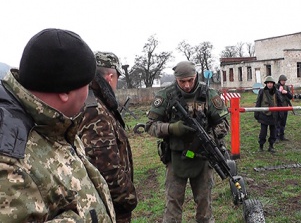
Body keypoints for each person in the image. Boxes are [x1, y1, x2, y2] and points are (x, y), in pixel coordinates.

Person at [0, 28, 116, 222]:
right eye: (86, 85)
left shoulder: (55, 125)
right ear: (64, 92)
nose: (88, 94)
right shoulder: (10, 159)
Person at [145, 61, 229, 223]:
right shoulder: (166, 95)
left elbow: (224, 124)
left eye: (190, 80)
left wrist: (206, 138)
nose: (187, 85)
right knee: (173, 206)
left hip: (203, 157)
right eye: (182, 81)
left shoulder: (209, 94)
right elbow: (150, 126)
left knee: (204, 206)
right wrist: (171, 128)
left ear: (196, 76)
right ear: (176, 79)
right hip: (176, 158)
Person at [78, 51, 138, 223]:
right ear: (111, 77)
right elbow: (106, 167)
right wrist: (128, 198)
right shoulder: (96, 110)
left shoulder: (95, 102)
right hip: (109, 207)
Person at [254, 76, 282, 153]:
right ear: (266, 84)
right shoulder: (262, 92)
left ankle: (271, 146)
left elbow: (279, 103)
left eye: (271, 83)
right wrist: (256, 113)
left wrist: (280, 114)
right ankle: (261, 146)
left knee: (273, 132)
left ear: (273, 84)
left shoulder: (276, 92)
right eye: (268, 83)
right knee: (263, 132)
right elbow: (258, 102)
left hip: (274, 115)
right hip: (264, 115)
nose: (269, 84)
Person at [275, 74, 293, 141]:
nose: (283, 82)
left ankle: (282, 136)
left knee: (283, 122)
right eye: (282, 80)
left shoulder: (286, 87)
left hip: (285, 107)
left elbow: (291, 96)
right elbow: (274, 95)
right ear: (280, 80)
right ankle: (276, 136)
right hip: (278, 107)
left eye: (284, 81)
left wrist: (286, 92)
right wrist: (279, 91)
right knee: (278, 123)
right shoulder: (276, 86)